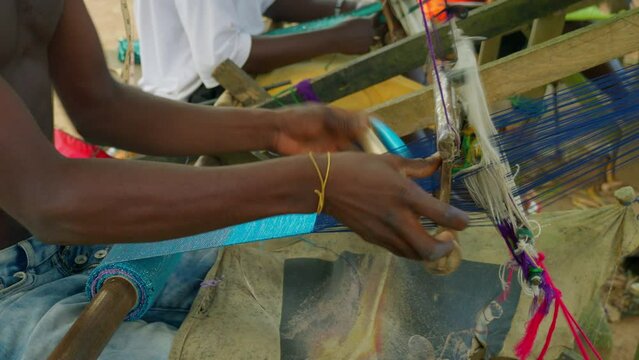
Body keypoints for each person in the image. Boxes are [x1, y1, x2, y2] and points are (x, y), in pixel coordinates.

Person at [0, 0, 467, 359]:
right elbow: (49, 197)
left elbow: (100, 105)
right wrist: (317, 184)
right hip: (13, 296)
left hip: (71, 244)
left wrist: (276, 127)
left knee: (344, 287)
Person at [134, 0, 382, 102]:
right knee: (370, 88)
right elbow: (222, 60)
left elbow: (266, 3)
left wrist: (347, 6)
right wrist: (334, 39)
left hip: (226, 76)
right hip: (200, 98)